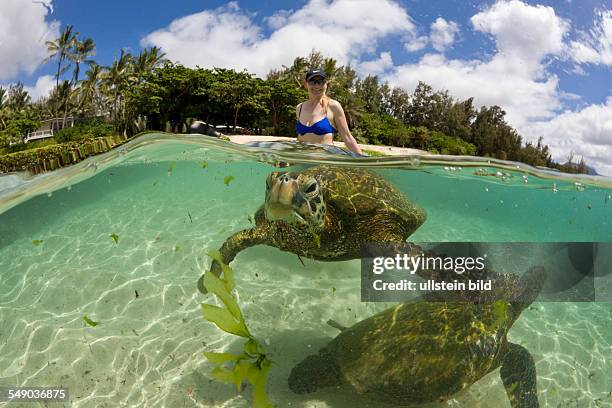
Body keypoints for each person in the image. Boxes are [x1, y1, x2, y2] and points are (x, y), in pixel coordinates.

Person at [296, 69, 363, 155]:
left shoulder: (333, 106)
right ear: (306, 84)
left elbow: (347, 137)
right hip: (302, 157)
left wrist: (362, 160)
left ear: (326, 84)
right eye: (312, 81)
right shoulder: (299, 108)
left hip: (324, 161)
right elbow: (300, 138)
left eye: (321, 81)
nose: (317, 85)